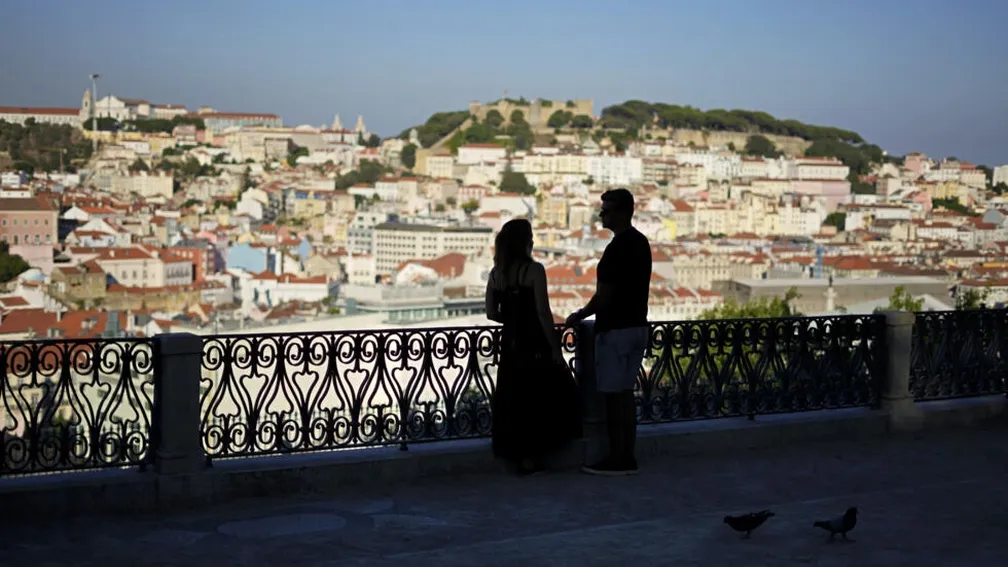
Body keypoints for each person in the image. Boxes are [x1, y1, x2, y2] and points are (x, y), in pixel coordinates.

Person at [486, 218, 582, 476]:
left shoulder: (496, 274)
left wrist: (512, 319)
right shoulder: (534, 270)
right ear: (525, 242)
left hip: (510, 343)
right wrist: (555, 347)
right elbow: (542, 311)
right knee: (540, 397)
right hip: (534, 341)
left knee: (514, 397)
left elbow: (491, 313)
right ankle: (534, 457)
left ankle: (516, 456)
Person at [566, 188, 652, 476]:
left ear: (622, 212)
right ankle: (627, 455)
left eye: (606, 210)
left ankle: (618, 458)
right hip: (638, 327)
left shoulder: (616, 249)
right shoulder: (641, 243)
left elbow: (605, 294)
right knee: (626, 395)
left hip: (616, 330)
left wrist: (580, 315)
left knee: (615, 398)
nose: (601, 214)